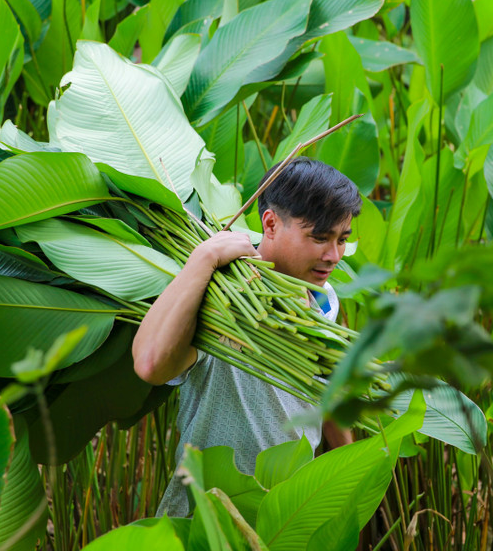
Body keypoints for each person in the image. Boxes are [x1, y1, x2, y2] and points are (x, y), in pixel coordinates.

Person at [132, 157, 362, 517]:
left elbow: (327, 396)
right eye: (319, 238)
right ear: (270, 223)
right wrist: (204, 257)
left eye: (342, 240)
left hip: (286, 521)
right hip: (204, 521)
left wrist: (348, 488)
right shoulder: (222, 299)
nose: (333, 255)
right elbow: (150, 365)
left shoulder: (324, 302)